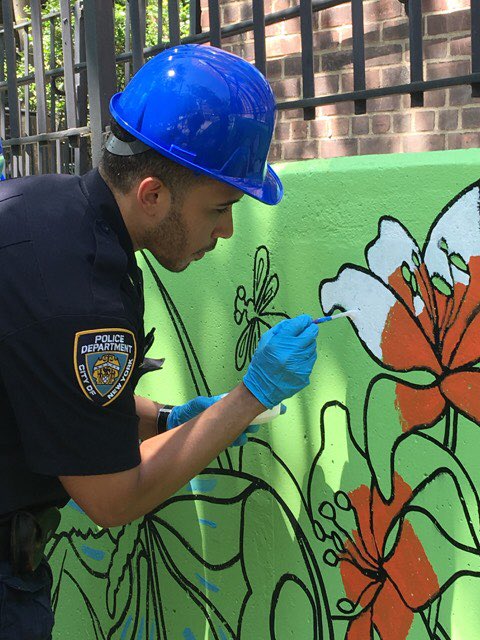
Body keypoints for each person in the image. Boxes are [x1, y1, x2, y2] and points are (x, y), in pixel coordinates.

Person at [0, 44, 318, 639]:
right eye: (219, 208)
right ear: (152, 194)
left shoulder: (44, 208)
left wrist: (167, 419)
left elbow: (55, 395)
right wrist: (247, 399)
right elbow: (113, 500)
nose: (227, 230)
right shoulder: (86, 300)